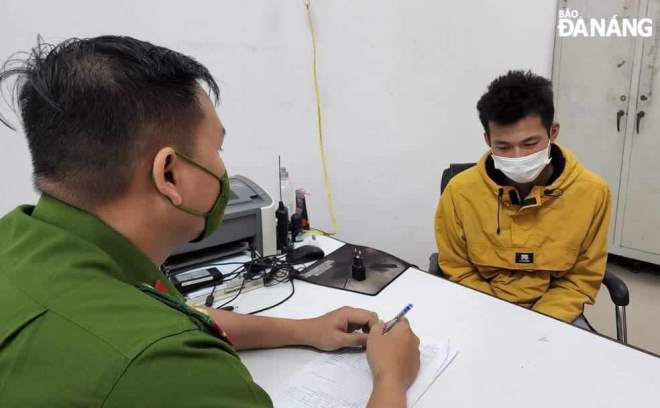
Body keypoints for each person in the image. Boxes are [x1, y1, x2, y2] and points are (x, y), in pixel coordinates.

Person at [0, 36, 420, 407]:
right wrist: (391, 379)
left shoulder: (19, 238)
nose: (223, 168)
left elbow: (186, 311)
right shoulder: (166, 366)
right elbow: (164, 337)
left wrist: (305, 329)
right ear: (169, 174)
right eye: (217, 149)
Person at [434, 70, 611, 325]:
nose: (517, 157)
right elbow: (458, 268)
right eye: (504, 146)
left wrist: (536, 324)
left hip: (556, 316)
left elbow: (582, 278)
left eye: (530, 144)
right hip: (483, 308)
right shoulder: (460, 191)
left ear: (553, 132)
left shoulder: (592, 193)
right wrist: (498, 317)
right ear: (487, 139)